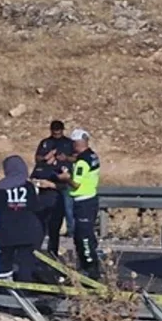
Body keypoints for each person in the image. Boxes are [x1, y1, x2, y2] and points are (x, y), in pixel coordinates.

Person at [0, 155, 42, 281]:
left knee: (5, 260)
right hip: (27, 228)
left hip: (7, 229)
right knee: (25, 261)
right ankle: (26, 290)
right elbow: (35, 206)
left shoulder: (0, 187)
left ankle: (6, 289)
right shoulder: (28, 186)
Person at [57, 128, 101, 280]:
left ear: (76, 143)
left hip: (84, 202)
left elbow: (76, 184)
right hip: (90, 199)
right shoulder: (91, 155)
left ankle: (90, 268)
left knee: (83, 236)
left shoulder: (82, 162)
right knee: (84, 234)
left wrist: (65, 178)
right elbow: (77, 160)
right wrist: (67, 159)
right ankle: (88, 264)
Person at [36, 120, 76, 235]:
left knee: (68, 208)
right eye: (54, 133)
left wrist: (66, 158)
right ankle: (47, 231)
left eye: (58, 133)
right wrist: (46, 158)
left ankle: (71, 231)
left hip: (65, 179)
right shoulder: (45, 143)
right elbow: (37, 158)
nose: (56, 135)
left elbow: (77, 158)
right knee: (47, 207)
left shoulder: (69, 143)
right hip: (48, 178)